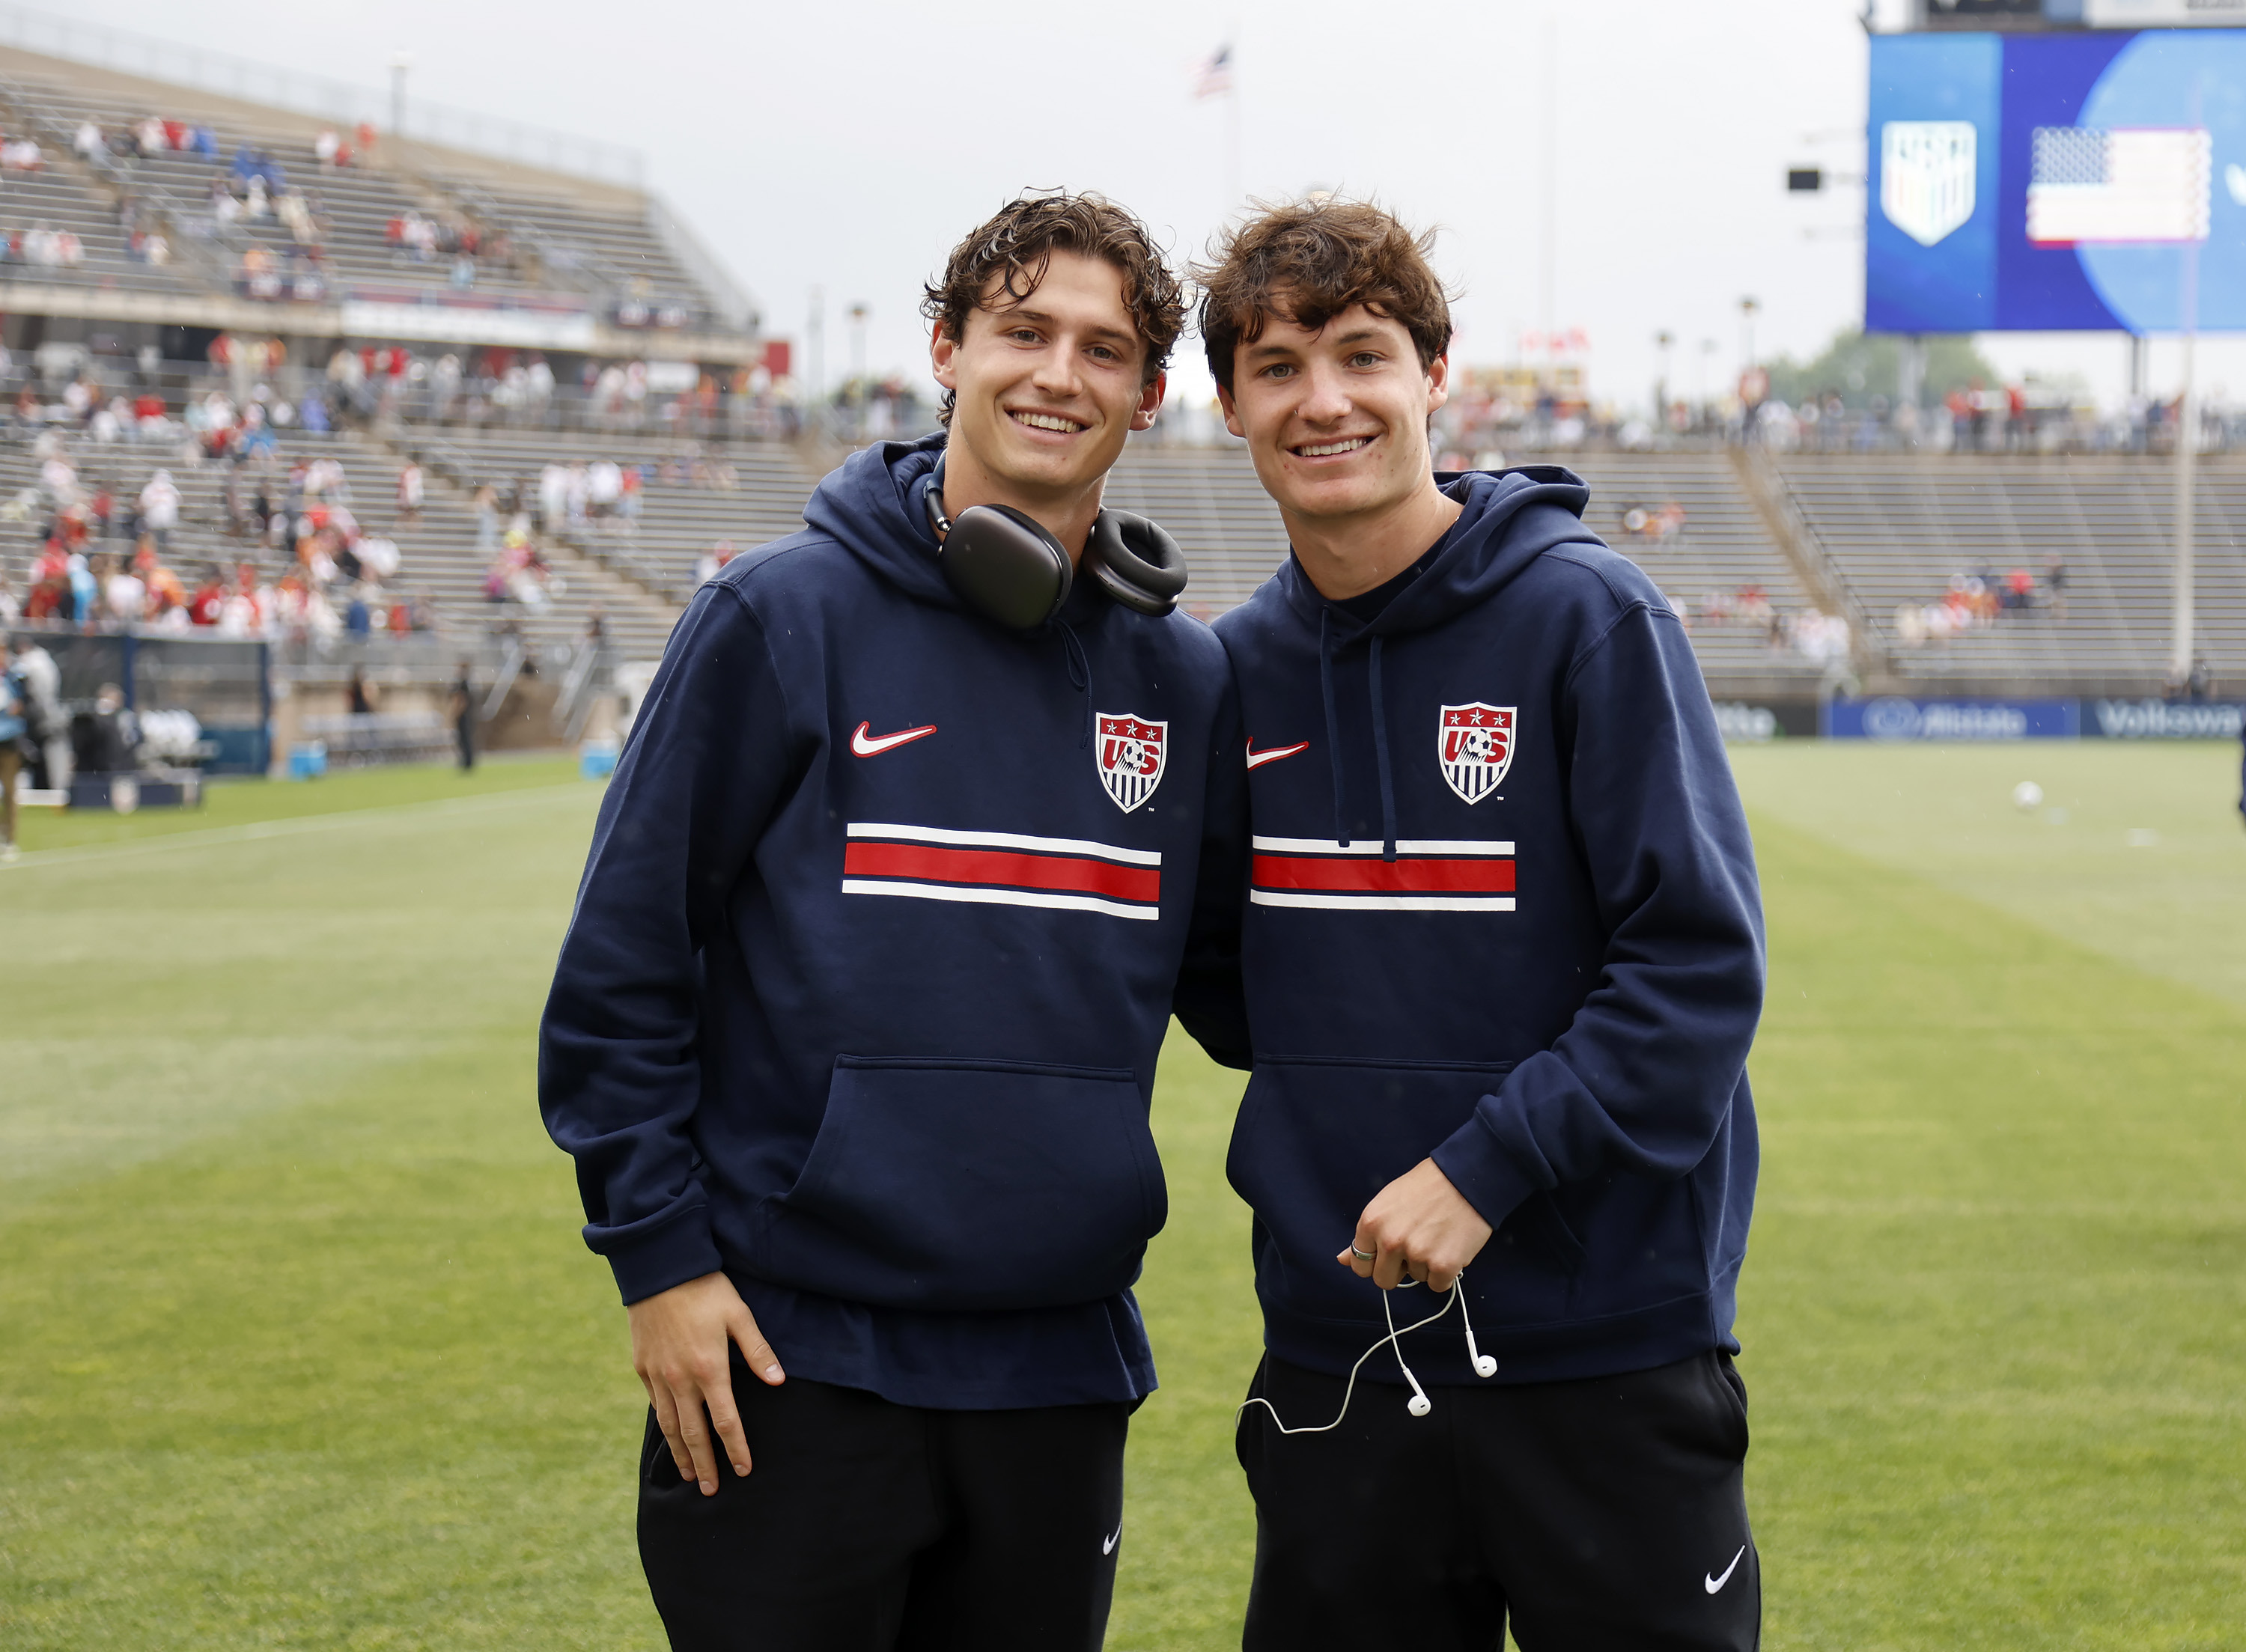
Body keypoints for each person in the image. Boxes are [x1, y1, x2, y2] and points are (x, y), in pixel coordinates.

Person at [538, 192, 1243, 1652]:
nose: (1060, 371)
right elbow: (621, 966)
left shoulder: (1182, 678)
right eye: (1024, 329)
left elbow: (1248, 994)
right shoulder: (778, 617)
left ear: (1149, 393)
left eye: (1103, 348)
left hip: (1055, 1367)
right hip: (789, 1362)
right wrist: (658, 1261)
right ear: (947, 346)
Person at [1200, 200, 1766, 1651]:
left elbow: (1696, 971)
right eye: (1277, 367)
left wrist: (1485, 1162)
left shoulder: (1590, 617)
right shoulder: (1234, 672)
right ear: (1229, 405)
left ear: (1432, 374)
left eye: (1361, 355)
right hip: (1340, 1359)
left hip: (1605, 1350)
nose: (1323, 399)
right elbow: (1223, 981)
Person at [0, 635, 26, 863]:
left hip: (8, 739)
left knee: (9, 791)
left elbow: (23, 704)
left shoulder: (14, 676)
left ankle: (10, 839)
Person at [448, 660, 475, 772]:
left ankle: (467, 762)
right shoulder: (466, 683)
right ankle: (466, 761)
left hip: (464, 716)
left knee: (464, 739)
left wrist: (456, 714)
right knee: (463, 739)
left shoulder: (463, 683)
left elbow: (462, 701)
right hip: (466, 715)